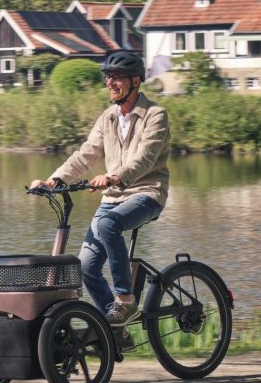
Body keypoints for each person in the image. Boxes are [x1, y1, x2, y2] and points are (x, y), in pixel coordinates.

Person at [30, 51, 170, 329]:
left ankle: (125, 299)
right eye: (108, 78)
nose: (110, 83)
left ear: (136, 81)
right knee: (85, 268)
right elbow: (85, 155)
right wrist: (54, 180)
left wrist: (115, 176)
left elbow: (145, 157)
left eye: (117, 78)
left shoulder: (155, 115)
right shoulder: (108, 117)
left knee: (108, 224)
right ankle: (115, 332)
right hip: (113, 197)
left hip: (146, 193)